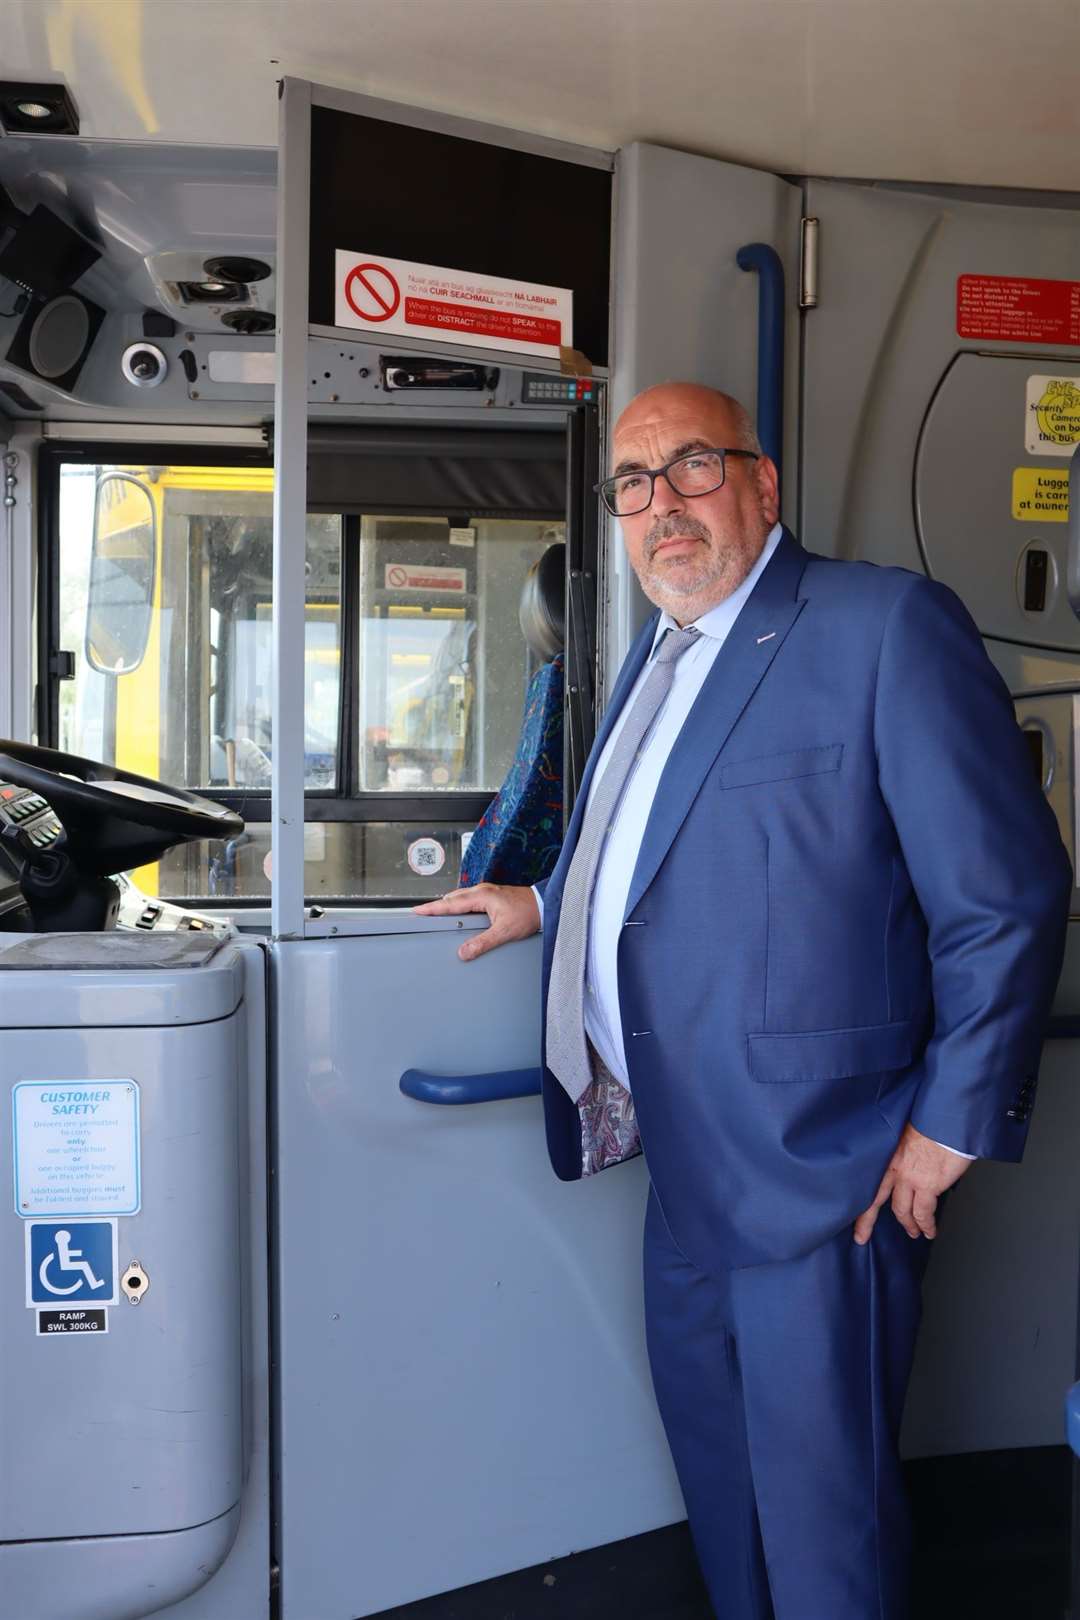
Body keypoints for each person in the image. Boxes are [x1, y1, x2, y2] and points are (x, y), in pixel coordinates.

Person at [415, 382, 1071, 1619]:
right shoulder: (662, 650)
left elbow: (1008, 893)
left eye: (693, 466)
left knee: (826, 1533)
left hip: (830, 1178)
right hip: (685, 1173)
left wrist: (949, 1126)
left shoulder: (883, 628)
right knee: (730, 1510)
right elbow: (659, 847)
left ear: (763, 486)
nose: (661, 503)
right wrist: (547, 905)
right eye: (634, 483)